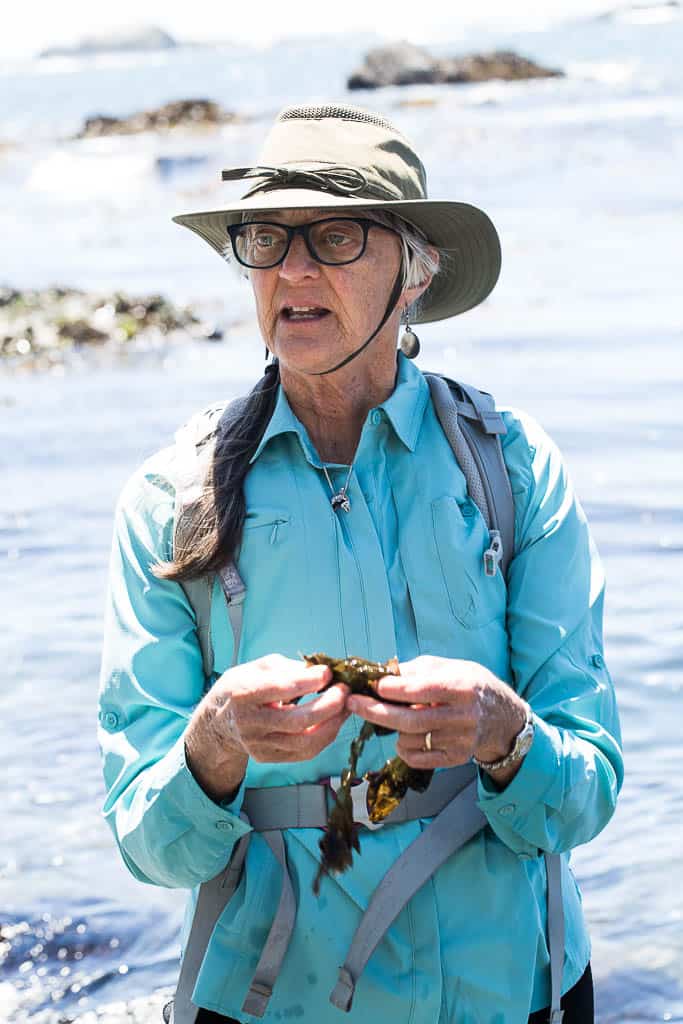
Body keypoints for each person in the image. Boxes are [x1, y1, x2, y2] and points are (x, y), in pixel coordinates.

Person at [98, 103, 623, 1024]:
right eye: (265, 239)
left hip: (510, 991)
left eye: (336, 237)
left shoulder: (513, 468)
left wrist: (504, 734)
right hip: (271, 1003)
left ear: (413, 271)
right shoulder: (171, 499)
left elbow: (586, 793)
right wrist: (213, 744)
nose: (292, 270)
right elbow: (148, 846)